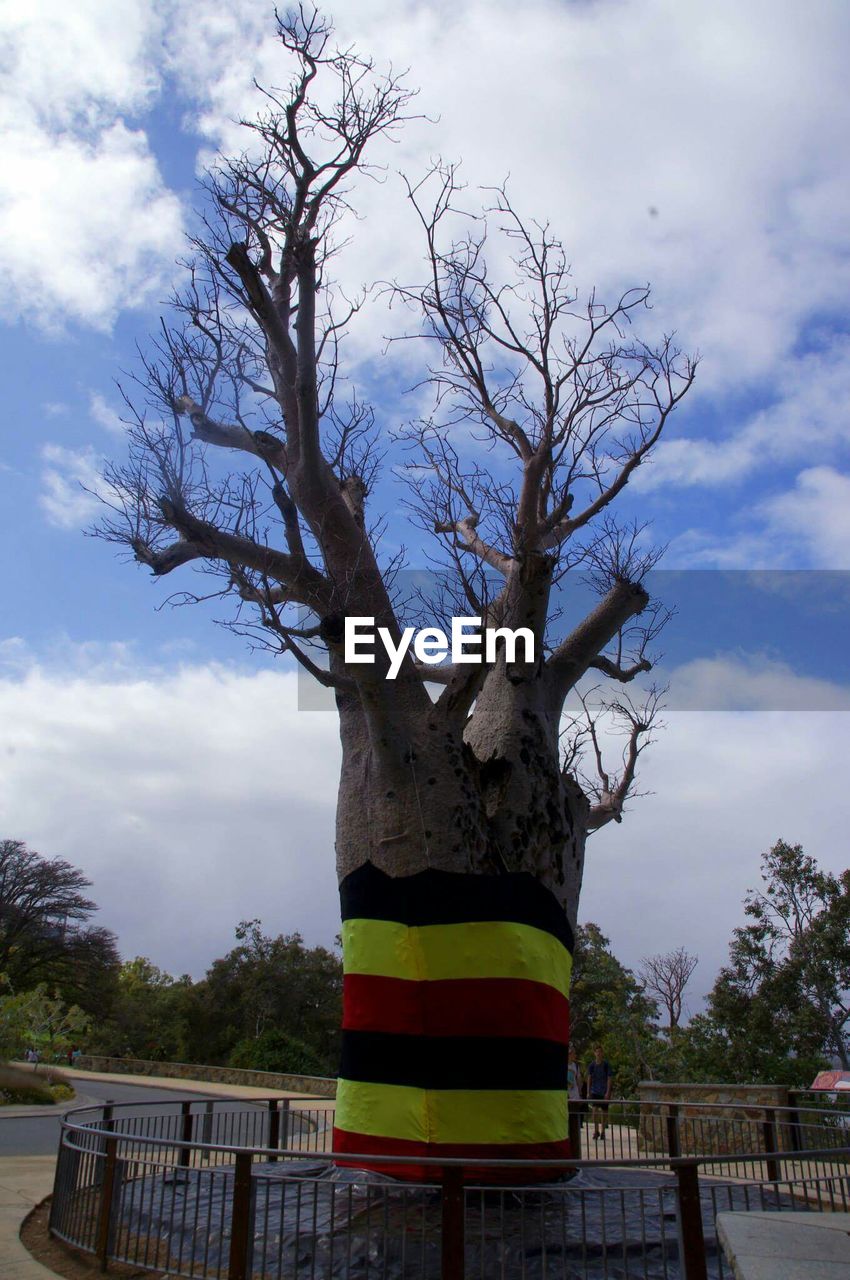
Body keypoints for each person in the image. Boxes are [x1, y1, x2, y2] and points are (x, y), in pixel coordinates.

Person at [586, 1044, 613, 1141]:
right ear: (594, 1053)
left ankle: (603, 1132)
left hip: (604, 1091)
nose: (599, 1053)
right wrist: (588, 1092)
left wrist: (608, 1092)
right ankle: (596, 1131)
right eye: (597, 1052)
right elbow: (589, 1078)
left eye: (600, 1052)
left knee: (604, 1112)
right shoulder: (592, 1065)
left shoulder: (606, 1065)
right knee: (594, 1110)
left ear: (602, 1053)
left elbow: (609, 1078)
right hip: (594, 1091)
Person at [567, 1045, 585, 1136]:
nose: (575, 1055)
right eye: (573, 1053)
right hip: (565, 1096)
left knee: (574, 1119)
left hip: (574, 1096)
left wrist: (580, 1094)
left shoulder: (576, 1066)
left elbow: (579, 1080)